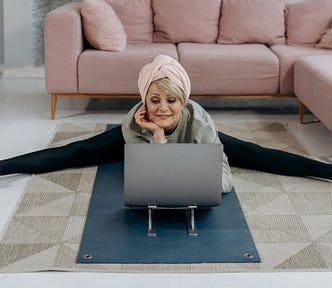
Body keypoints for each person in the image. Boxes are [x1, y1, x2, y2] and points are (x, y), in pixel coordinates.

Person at [0, 55, 331, 192]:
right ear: (143, 101)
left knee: (255, 153)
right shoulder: (135, 122)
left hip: (193, 138)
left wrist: (198, 168)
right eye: (154, 100)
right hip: (142, 139)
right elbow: (155, 175)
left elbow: (224, 182)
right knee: (76, 151)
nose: (162, 108)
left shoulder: (199, 120)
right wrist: (156, 135)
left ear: (183, 102)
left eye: (171, 100)